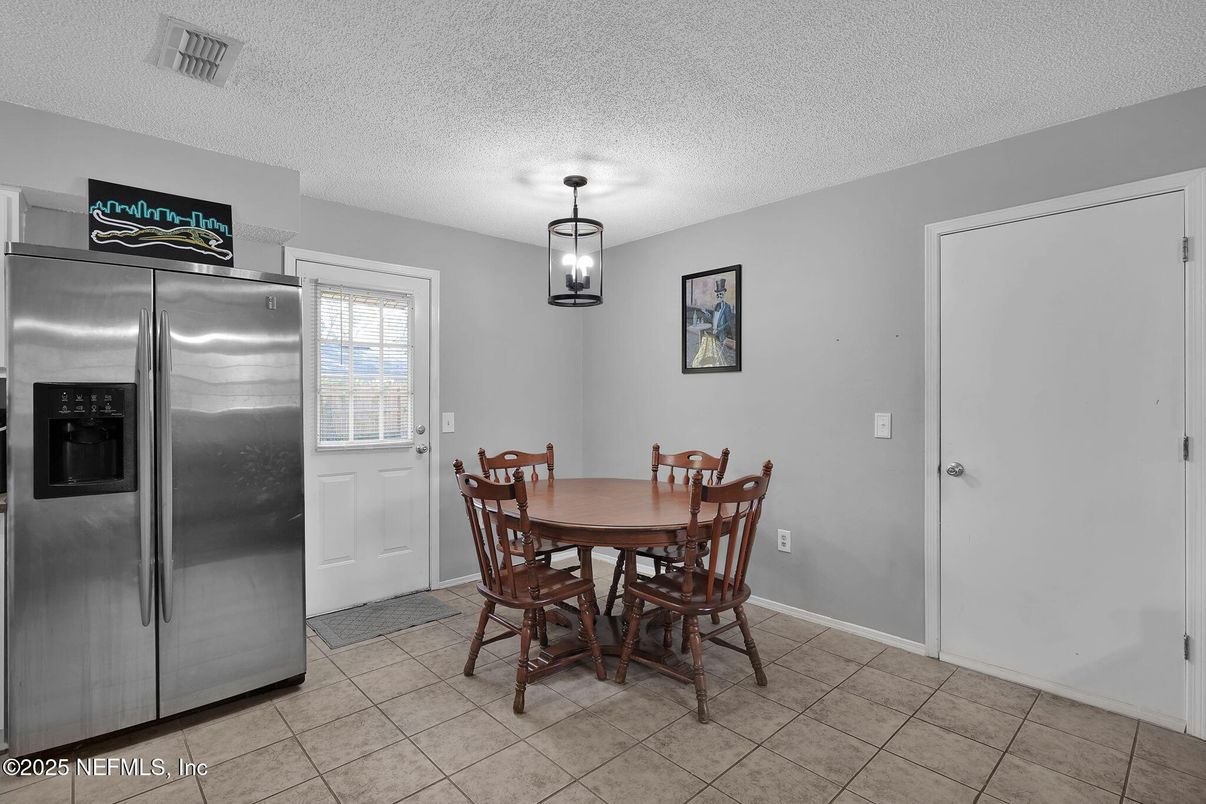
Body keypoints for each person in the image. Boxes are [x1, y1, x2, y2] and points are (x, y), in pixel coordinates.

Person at [691, 277, 736, 368]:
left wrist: (719, 330)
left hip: (721, 334)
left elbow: (729, 323)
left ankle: (711, 360)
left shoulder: (727, 307)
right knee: (704, 336)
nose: (719, 296)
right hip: (714, 332)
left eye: (721, 294)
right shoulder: (716, 306)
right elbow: (714, 318)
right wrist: (706, 313)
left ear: (724, 294)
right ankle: (704, 360)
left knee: (708, 339)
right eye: (717, 295)